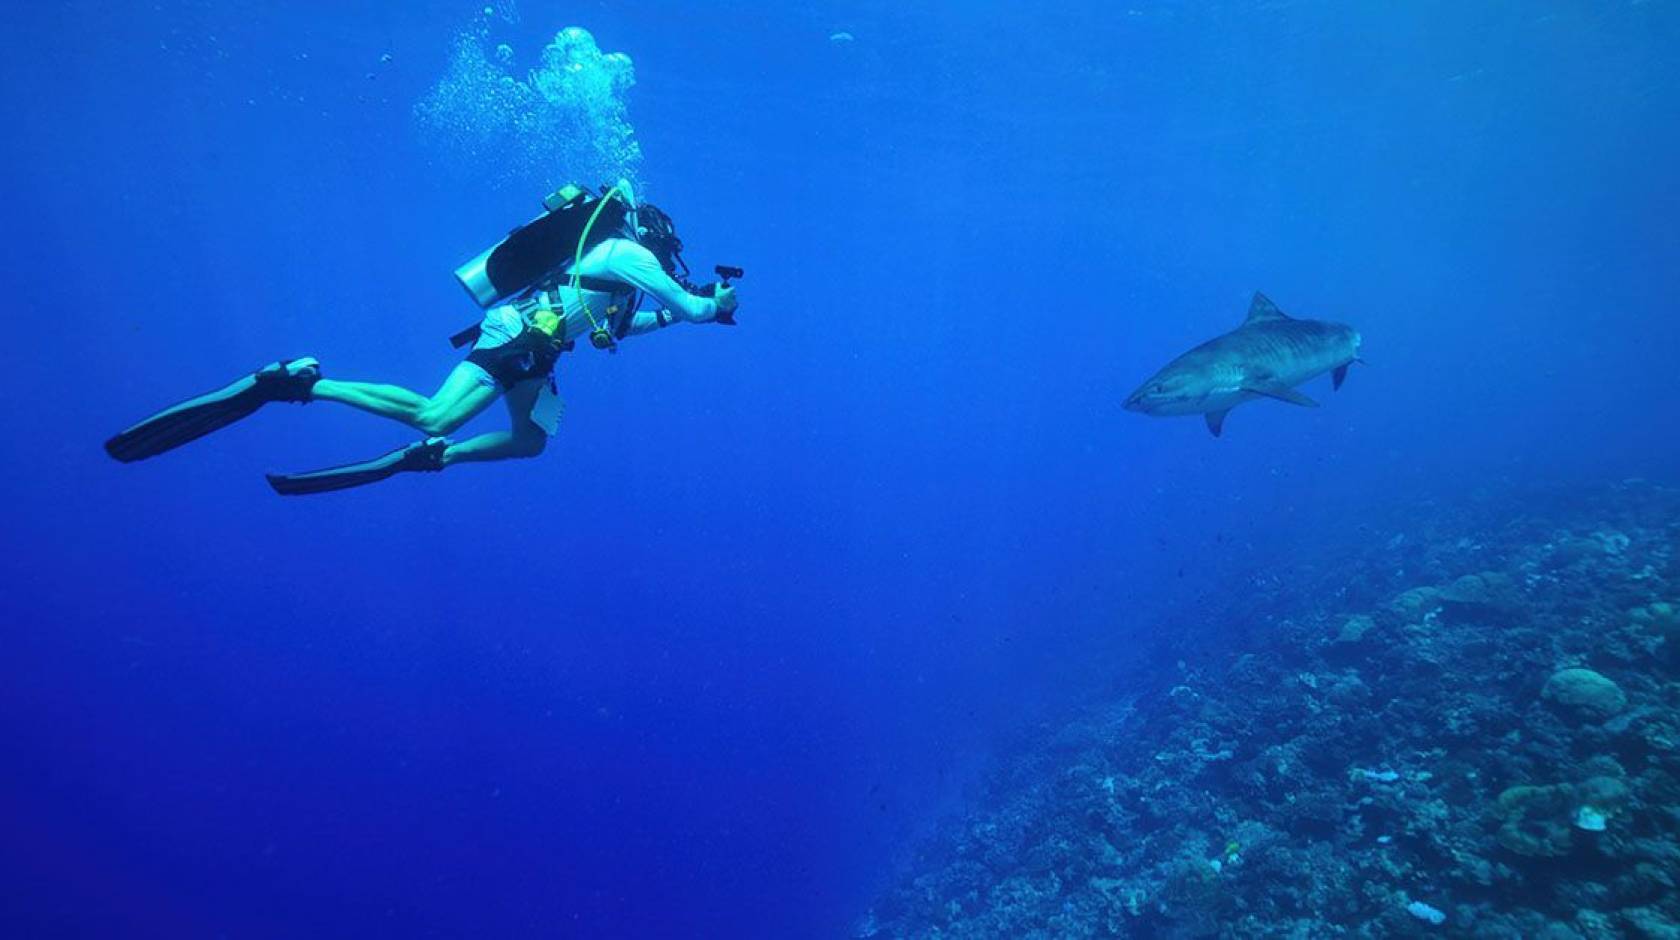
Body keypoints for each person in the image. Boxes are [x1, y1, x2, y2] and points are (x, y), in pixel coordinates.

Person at [105, 184, 739, 494]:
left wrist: (689, 310)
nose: (672, 258)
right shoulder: (627, 254)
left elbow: (644, 320)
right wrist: (713, 303)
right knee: (435, 412)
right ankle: (297, 382)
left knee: (530, 442)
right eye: (670, 249)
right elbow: (687, 308)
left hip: (536, 352)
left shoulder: (625, 281)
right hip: (515, 336)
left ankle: (434, 457)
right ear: (654, 236)